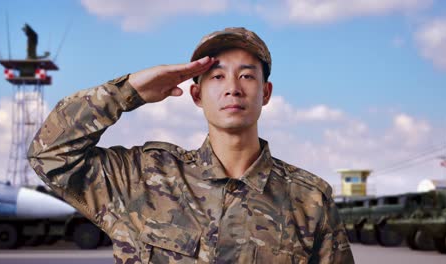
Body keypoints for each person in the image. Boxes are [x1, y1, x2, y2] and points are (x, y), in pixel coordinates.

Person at [28, 27, 354, 264]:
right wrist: (128, 91)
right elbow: (50, 155)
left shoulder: (309, 199)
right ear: (196, 95)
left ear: (265, 93)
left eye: (247, 76)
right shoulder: (142, 179)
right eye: (216, 76)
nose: (232, 89)